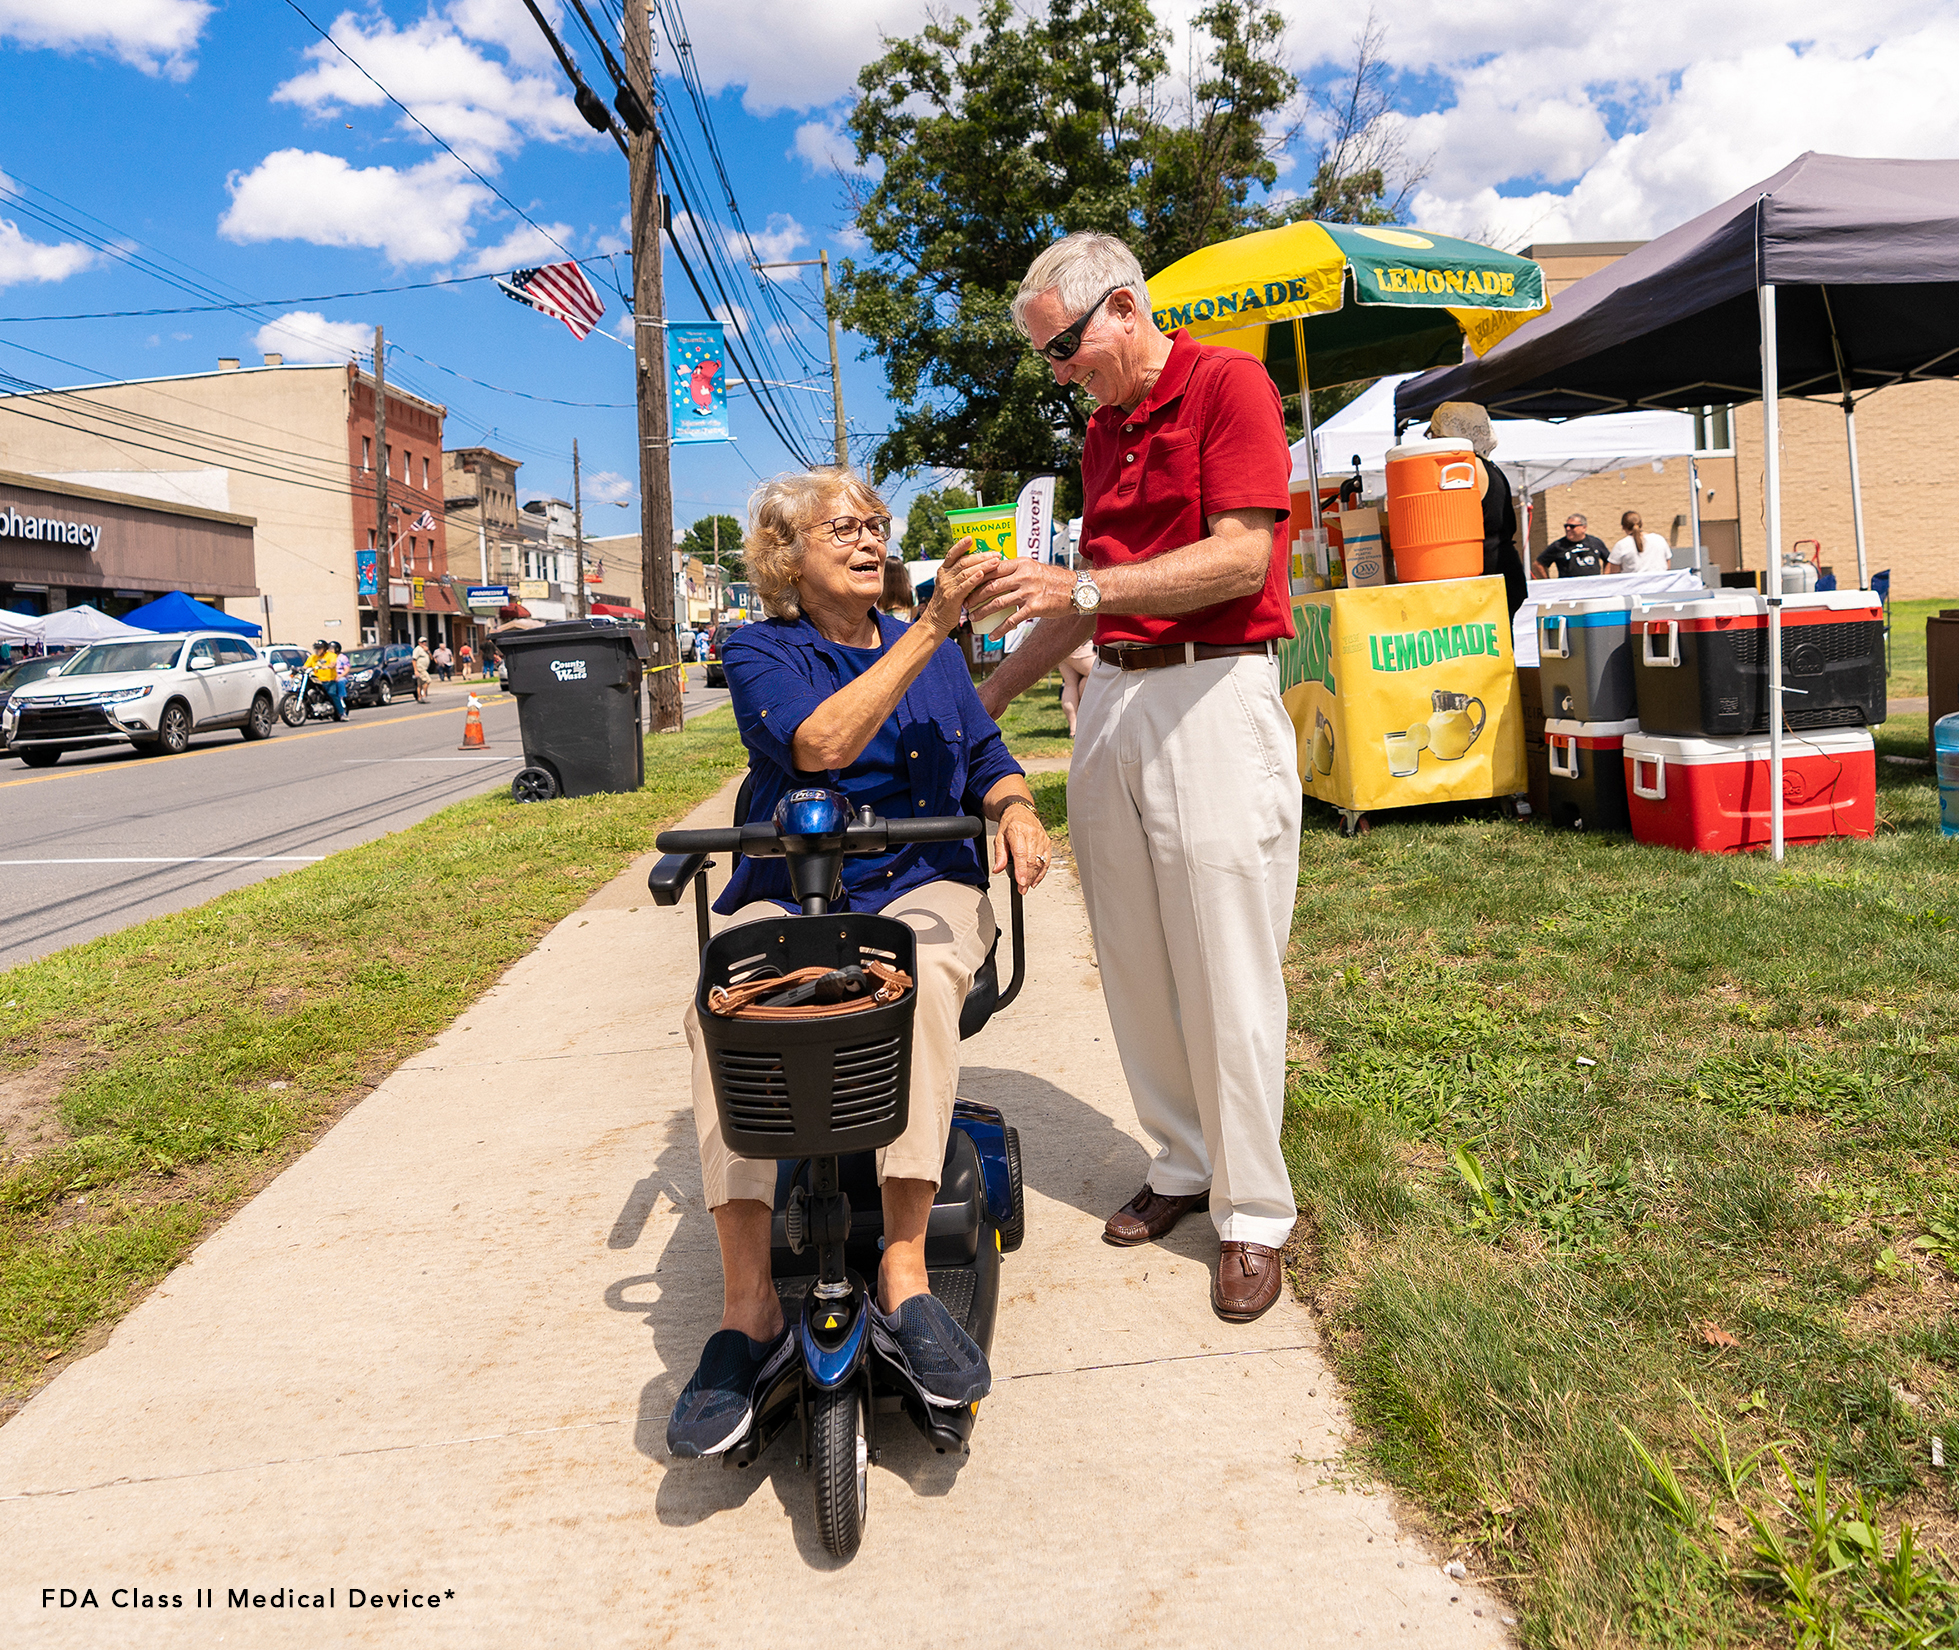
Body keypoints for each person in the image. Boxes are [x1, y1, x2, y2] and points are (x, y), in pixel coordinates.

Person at [666, 465, 1054, 1458]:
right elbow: (818, 745)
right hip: (793, 886)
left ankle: (908, 1274)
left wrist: (1012, 804)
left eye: (878, 525)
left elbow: (986, 756)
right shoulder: (761, 650)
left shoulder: (930, 658)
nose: (871, 538)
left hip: (920, 877)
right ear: (786, 554)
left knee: (912, 977)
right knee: (728, 1008)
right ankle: (747, 1306)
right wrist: (930, 628)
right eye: (844, 527)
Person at [965, 229, 1301, 1324]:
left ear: (1120, 307)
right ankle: (1182, 1160)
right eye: (1049, 359)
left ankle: (1252, 1211)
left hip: (1210, 689)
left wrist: (1091, 592)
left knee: (1226, 954)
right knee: (1132, 950)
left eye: (1063, 348)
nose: (1059, 373)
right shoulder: (1105, 433)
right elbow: (1081, 600)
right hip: (1113, 689)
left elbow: (1243, 555)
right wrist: (979, 700)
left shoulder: (1228, 384)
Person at [1429, 401, 1526, 617]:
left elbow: (1446, 527)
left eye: (1434, 434)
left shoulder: (1462, 469)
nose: (1432, 441)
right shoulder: (1491, 467)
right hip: (1503, 569)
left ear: (1450, 433)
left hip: (1486, 577)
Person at [1535, 513, 1608, 580]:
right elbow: (1538, 564)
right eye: (1566, 526)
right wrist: (1549, 582)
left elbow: (1609, 560)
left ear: (1584, 528)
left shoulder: (1595, 542)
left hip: (1592, 587)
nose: (1568, 529)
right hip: (1568, 588)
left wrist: (1605, 578)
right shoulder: (1558, 545)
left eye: (1572, 526)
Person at [329, 640, 350, 719]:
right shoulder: (328, 658)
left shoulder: (342, 658)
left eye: (331, 648)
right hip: (330, 677)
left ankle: (341, 699)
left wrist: (340, 676)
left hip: (341, 677)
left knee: (340, 682)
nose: (330, 650)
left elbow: (347, 670)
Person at [411, 637, 432, 702]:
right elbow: (414, 660)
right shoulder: (417, 649)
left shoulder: (425, 649)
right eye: (422, 642)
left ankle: (419, 697)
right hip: (420, 668)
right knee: (428, 680)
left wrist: (428, 651)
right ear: (419, 643)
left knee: (420, 683)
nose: (424, 643)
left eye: (425, 641)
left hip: (425, 668)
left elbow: (431, 658)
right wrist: (415, 670)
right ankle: (424, 695)